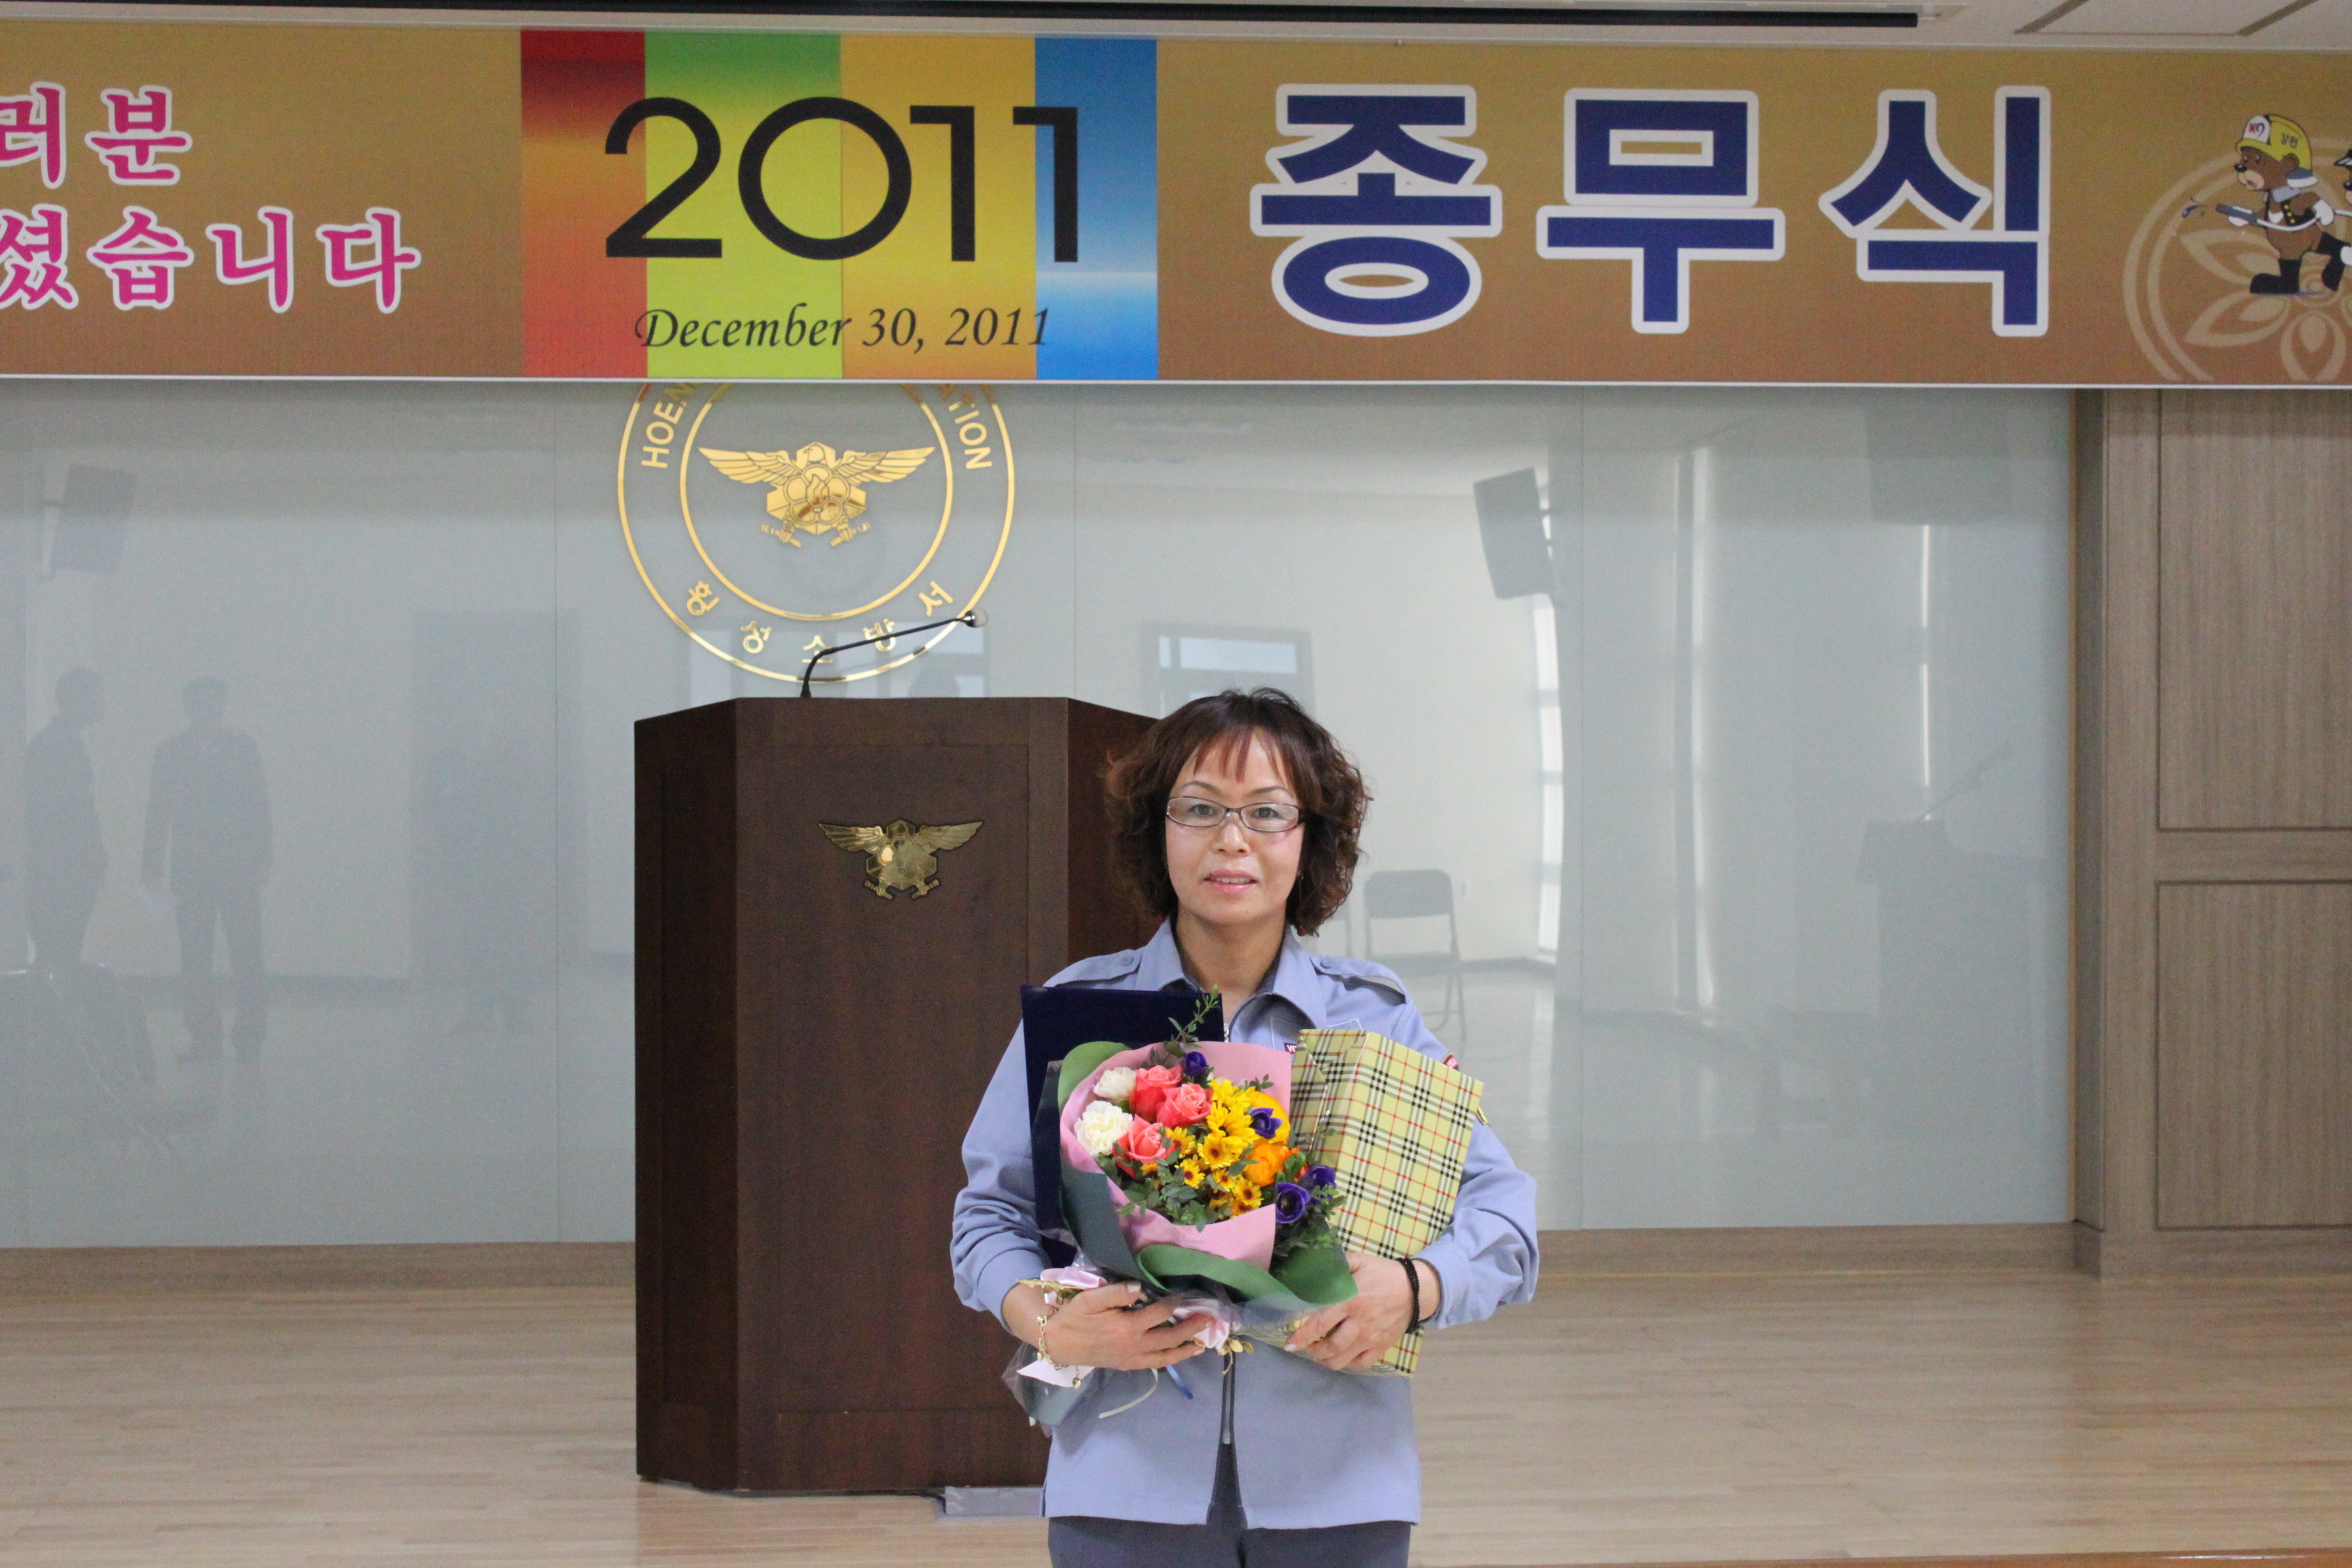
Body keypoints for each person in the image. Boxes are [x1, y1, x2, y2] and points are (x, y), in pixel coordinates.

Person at [951, 688, 1539, 1567]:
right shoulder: (1082, 1013)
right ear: (1157, 830)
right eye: (1199, 810)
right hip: (1121, 1471)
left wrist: (1416, 1289)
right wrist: (1044, 1322)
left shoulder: (1374, 1020)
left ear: (1312, 838)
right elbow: (986, 1215)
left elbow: (1507, 1221)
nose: (1232, 839)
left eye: (1266, 812)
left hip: (1340, 1483)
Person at [142, 677, 271, 1062]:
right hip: (191, 868)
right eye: (198, 702)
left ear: (222, 704)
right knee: (194, 956)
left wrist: (263, 857)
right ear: (188, 707)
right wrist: (151, 865)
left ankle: (250, 1036)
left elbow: (258, 803)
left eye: (212, 702)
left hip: (237, 867)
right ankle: (203, 1035)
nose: (206, 709)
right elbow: (157, 810)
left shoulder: (243, 748)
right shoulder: (169, 752)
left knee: (246, 952)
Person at [26, 669, 107, 971]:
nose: (102, 702)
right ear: (76, 698)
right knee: (60, 948)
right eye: (96, 694)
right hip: (62, 867)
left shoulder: (60, 742)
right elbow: (63, 812)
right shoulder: (56, 746)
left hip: (65, 864)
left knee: (61, 948)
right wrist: (86, 855)